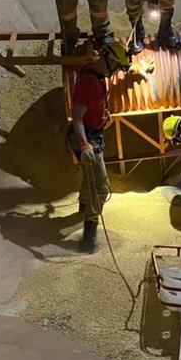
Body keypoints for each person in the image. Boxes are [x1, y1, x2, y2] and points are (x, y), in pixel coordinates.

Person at [66, 41, 132, 253]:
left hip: (94, 132)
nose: (117, 72)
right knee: (101, 186)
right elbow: (77, 117)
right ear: (110, 60)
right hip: (86, 137)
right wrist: (84, 145)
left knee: (89, 177)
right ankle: (89, 237)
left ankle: (83, 210)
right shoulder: (90, 82)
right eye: (118, 67)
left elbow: (95, 103)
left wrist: (103, 115)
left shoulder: (97, 72)